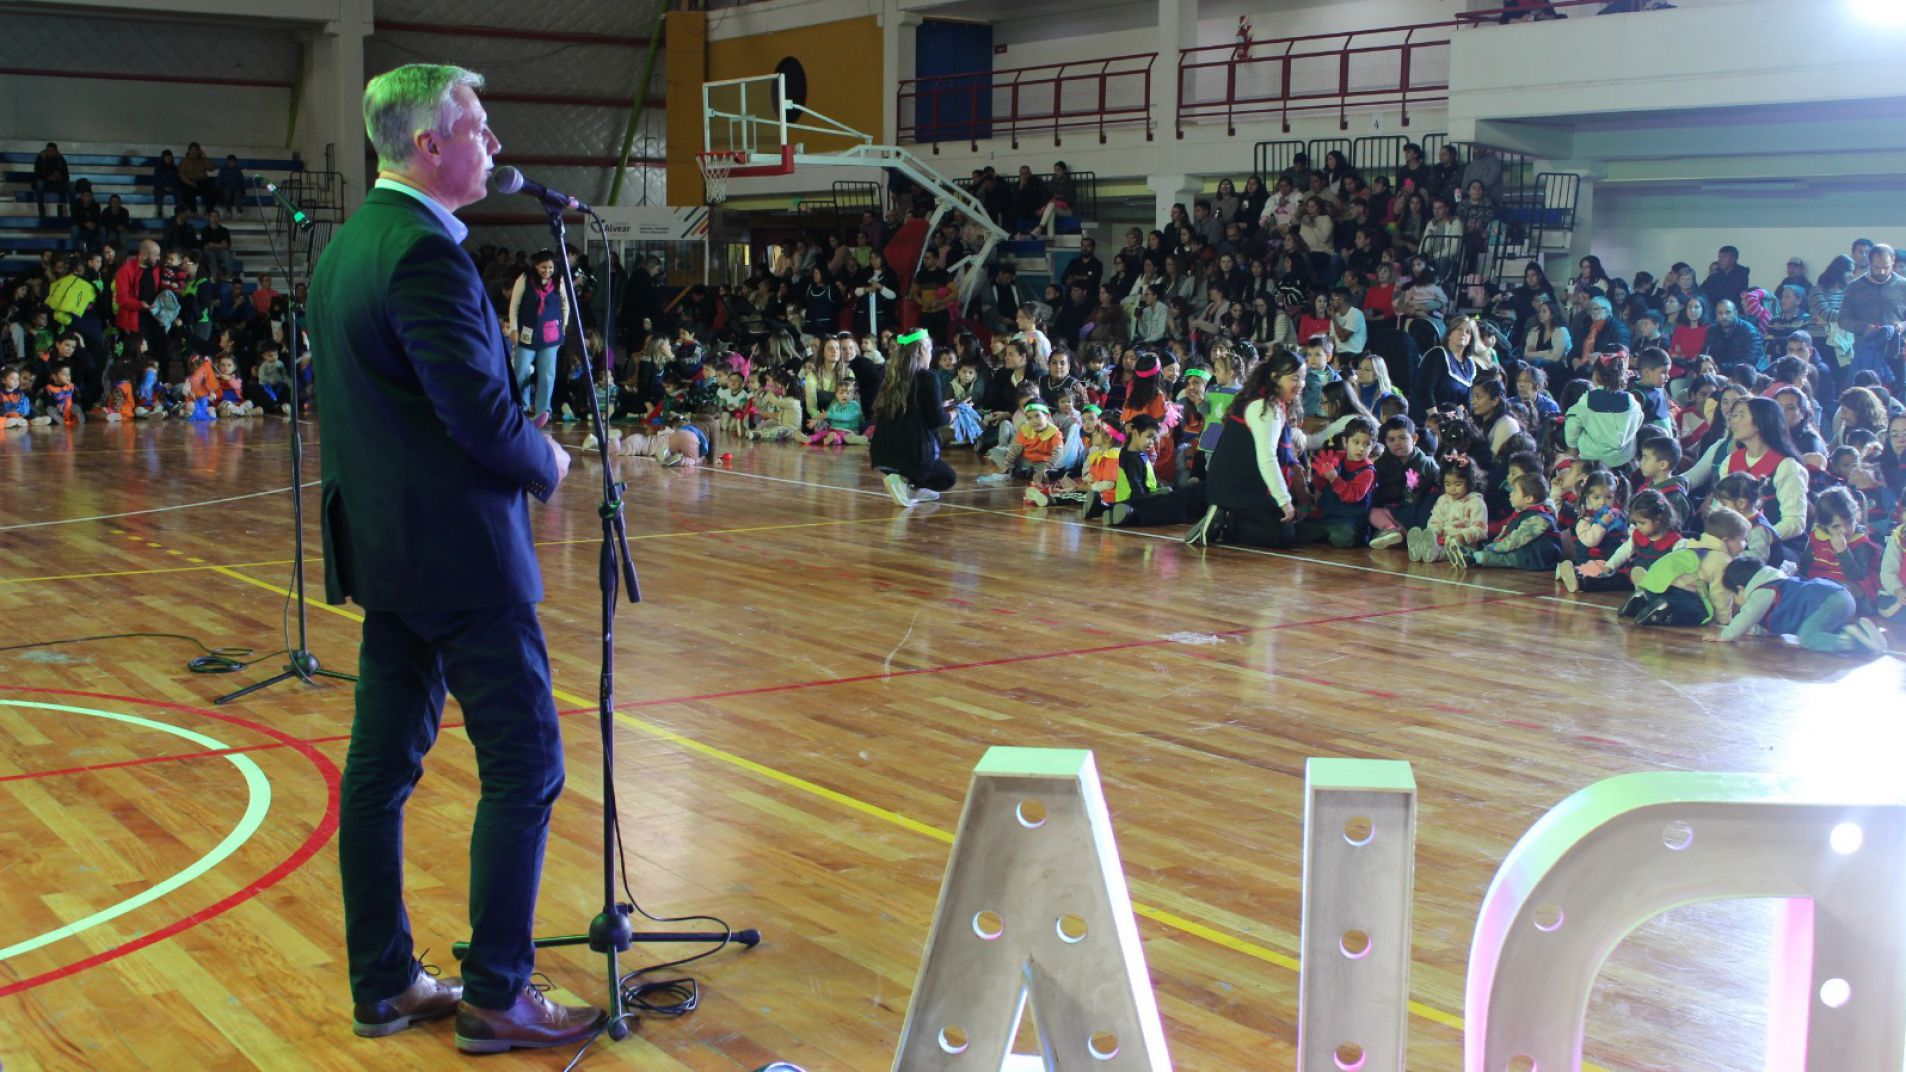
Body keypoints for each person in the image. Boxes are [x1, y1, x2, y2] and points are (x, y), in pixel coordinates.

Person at [309, 63, 603, 1053]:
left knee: (379, 773)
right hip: (461, 560)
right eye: (479, 125)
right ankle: (497, 994)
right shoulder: (424, 256)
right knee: (526, 766)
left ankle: (386, 982)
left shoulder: (350, 246)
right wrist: (546, 460)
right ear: (430, 145)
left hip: (388, 554)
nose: (496, 142)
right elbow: (477, 415)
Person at [1711, 556, 1887, 655]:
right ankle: (1861, 631)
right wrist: (1754, 630)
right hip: (1839, 597)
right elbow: (1765, 623)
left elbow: (1747, 615)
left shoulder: (1762, 591)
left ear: (1741, 588)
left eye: (1734, 595)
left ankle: (1854, 642)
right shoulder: (1775, 583)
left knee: (1808, 638)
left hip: (1828, 601)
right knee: (1821, 632)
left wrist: (1726, 635)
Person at [871, 329, 956, 506]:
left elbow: (914, 411)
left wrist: (940, 405)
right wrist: (955, 413)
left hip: (882, 451)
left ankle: (908, 487)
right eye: (929, 349)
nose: (931, 354)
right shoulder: (928, 377)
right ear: (921, 350)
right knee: (947, 477)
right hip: (912, 453)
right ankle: (903, 480)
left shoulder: (892, 376)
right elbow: (936, 420)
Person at [32, 142, 69, 220]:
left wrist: (59, 177)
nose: (51, 153)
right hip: (45, 182)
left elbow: (66, 175)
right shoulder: (40, 159)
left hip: (57, 183)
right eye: (49, 151)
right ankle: (41, 210)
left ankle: (61, 209)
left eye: (53, 151)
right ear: (46, 151)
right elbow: (37, 174)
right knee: (39, 184)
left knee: (68, 186)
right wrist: (48, 178)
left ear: (56, 151)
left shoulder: (60, 160)